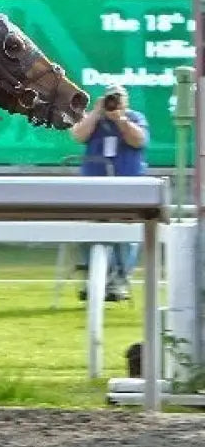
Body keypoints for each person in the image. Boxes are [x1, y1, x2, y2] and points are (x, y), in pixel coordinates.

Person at [69, 82, 150, 301]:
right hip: (94, 187)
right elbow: (78, 135)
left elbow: (139, 140)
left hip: (126, 186)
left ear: (126, 101)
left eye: (117, 98)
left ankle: (119, 280)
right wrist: (96, 112)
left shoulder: (134, 118)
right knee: (87, 227)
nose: (113, 103)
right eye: (110, 98)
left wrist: (120, 120)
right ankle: (92, 276)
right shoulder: (95, 120)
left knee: (125, 231)